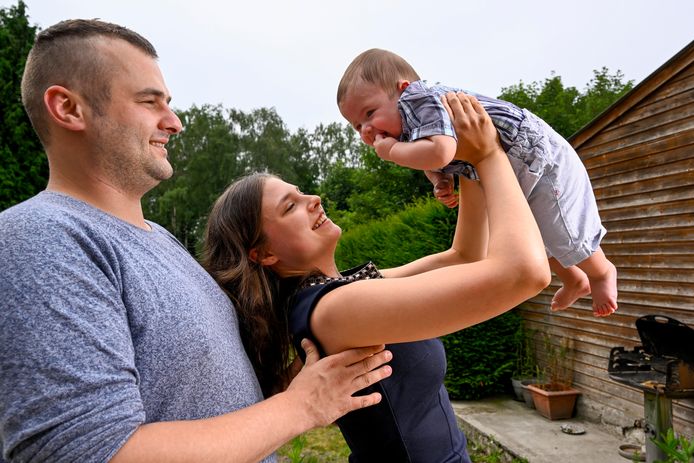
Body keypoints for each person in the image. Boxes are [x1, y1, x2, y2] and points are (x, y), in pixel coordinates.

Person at [0, 19, 394, 463]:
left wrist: (298, 381)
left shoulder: (161, 240)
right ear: (69, 109)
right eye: (150, 103)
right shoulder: (40, 237)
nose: (175, 122)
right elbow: (85, 453)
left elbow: (203, 398)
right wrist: (302, 406)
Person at [202, 92, 551, 462]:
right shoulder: (333, 310)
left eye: (302, 192)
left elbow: (463, 257)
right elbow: (524, 273)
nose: (315, 198)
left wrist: (464, 163)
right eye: (291, 206)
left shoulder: (345, 290)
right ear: (265, 254)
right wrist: (489, 155)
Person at [336, 48, 619, 318]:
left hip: (533, 154)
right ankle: (574, 279)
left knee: (562, 227)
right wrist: (439, 179)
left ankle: (601, 272)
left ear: (403, 89)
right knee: (538, 232)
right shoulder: (406, 127)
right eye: (357, 126)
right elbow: (436, 158)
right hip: (509, 165)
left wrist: (393, 153)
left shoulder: (418, 101)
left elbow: (441, 150)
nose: (367, 130)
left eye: (370, 114)